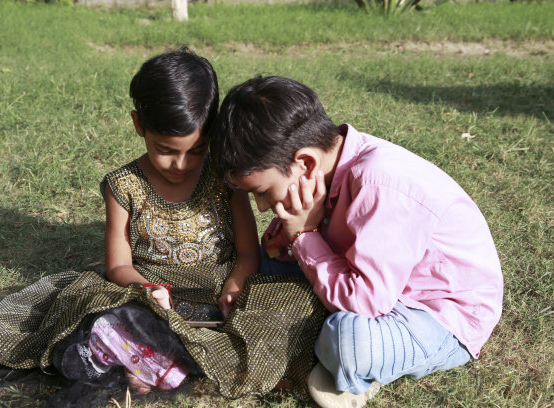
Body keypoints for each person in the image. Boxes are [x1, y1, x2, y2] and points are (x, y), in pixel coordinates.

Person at [0, 52, 327, 399]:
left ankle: (158, 359)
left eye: (197, 150)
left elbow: (249, 253)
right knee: (95, 308)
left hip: (219, 293)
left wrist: (235, 284)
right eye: (165, 149)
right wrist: (149, 289)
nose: (180, 164)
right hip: (151, 297)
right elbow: (118, 266)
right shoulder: (123, 185)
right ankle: (172, 356)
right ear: (139, 125)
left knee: (293, 302)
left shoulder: (224, 176)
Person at [210, 75, 504, 408]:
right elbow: (279, 255)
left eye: (261, 192)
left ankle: (354, 371)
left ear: (305, 162)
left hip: (437, 313)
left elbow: (364, 303)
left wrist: (305, 234)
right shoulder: (317, 173)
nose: (262, 206)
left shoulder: (380, 185)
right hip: (372, 288)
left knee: (349, 340)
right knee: (268, 280)